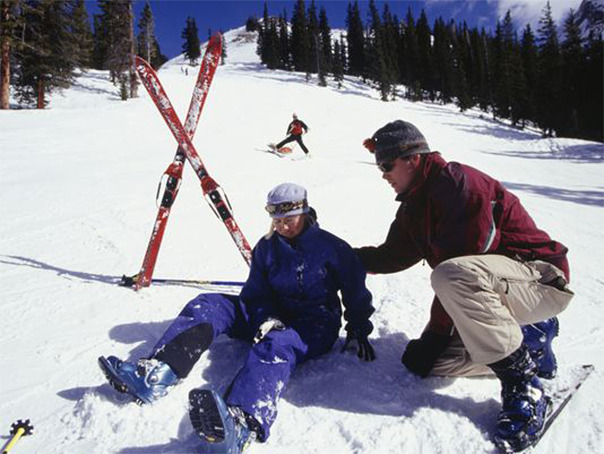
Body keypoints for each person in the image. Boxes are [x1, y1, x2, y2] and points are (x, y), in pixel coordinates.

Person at [98, 182, 375, 453]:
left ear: (304, 212)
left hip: (314, 324)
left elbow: (355, 291)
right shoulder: (267, 248)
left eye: (288, 219)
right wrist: (265, 315)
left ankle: (241, 422)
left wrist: (358, 329)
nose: (282, 226)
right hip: (269, 315)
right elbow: (255, 293)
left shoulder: (332, 248)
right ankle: (158, 373)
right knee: (209, 303)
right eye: (276, 220)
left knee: (277, 344)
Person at [357, 120, 573, 453]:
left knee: (450, 276)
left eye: (387, 165)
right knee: (428, 363)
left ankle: (523, 385)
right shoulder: (414, 204)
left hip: (540, 278)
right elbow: (393, 255)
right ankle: (530, 343)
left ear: (413, 157)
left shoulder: (460, 187)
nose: (383, 174)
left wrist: (437, 332)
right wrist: (342, 258)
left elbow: (460, 269)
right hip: (497, 287)